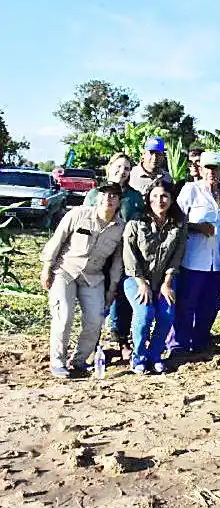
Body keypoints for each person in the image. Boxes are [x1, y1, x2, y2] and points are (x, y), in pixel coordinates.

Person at [41, 182, 125, 378]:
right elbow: (58, 239)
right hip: (65, 271)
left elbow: (117, 262)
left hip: (93, 277)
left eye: (113, 196)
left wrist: (112, 287)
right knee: (64, 317)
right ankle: (58, 361)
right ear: (97, 197)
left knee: (95, 320)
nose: (108, 199)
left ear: (119, 201)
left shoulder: (120, 228)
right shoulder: (78, 214)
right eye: (104, 195)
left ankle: (79, 361)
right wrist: (47, 268)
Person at [83, 152, 145, 361]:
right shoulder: (94, 195)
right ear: (109, 167)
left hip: (125, 255)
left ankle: (121, 339)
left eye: (126, 168)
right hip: (99, 255)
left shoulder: (134, 197)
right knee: (95, 299)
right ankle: (92, 342)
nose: (122, 171)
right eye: (118, 167)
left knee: (122, 299)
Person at [122, 180, 187, 375]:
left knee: (167, 315)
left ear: (171, 199)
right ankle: (139, 357)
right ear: (148, 199)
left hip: (164, 279)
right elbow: (129, 255)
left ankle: (155, 355)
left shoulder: (178, 224)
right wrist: (142, 283)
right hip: (136, 279)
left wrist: (167, 283)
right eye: (156, 196)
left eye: (165, 196)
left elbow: (177, 255)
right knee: (144, 315)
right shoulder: (136, 222)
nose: (160, 200)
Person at [173, 151, 220, 353]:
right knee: (187, 304)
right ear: (200, 169)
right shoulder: (191, 190)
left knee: (210, 305)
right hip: (193, 259)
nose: (211, 172)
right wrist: (197, 227)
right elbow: (176, 221)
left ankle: (200, 341)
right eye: (207, 167)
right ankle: (179, 343)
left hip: (217, 261)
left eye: (215, 168)